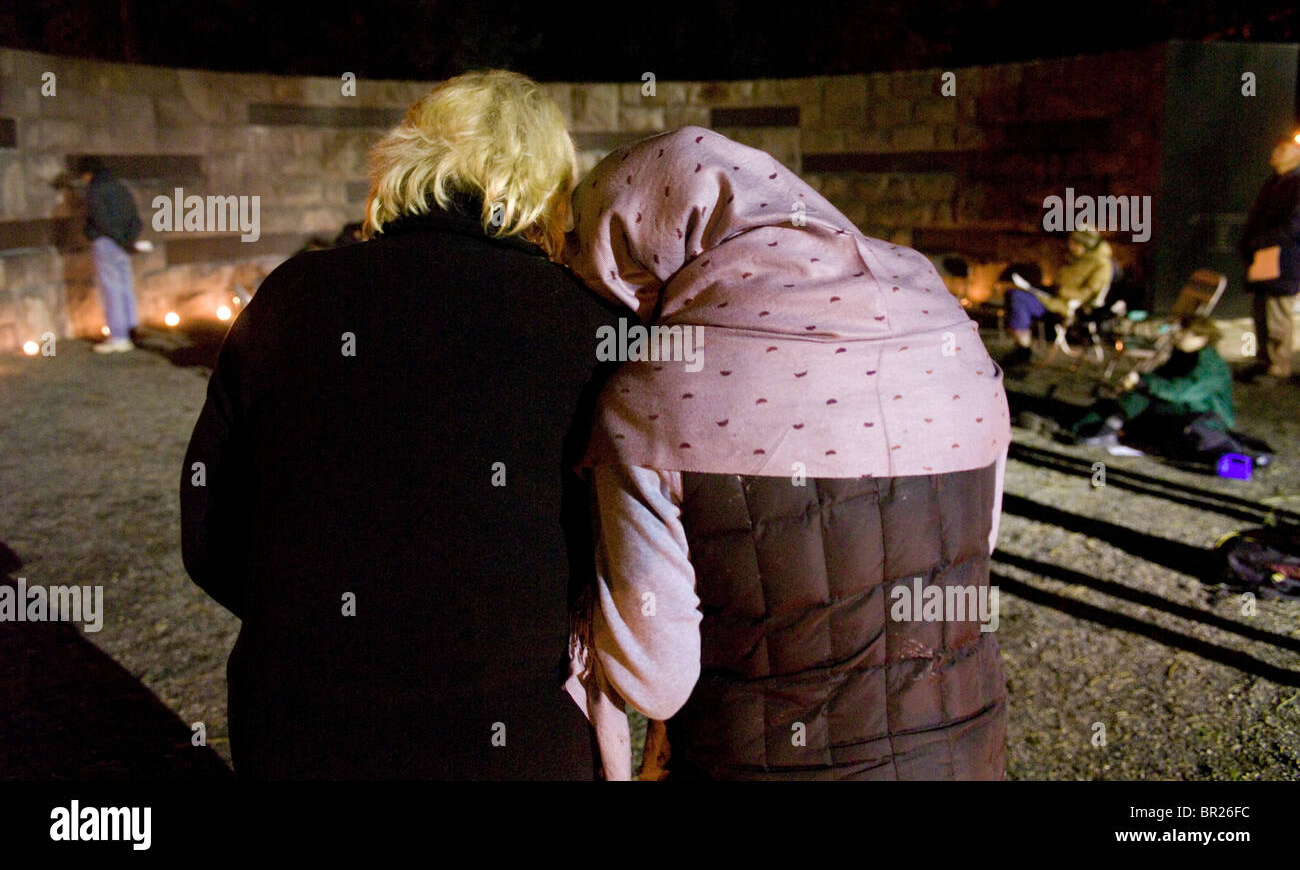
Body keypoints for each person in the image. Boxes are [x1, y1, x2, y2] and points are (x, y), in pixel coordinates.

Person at [180, 70, 622, 779]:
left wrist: (314, 620)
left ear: (407, 159)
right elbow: (626, 546)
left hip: (301, 721)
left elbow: (209, 525)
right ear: (550, 184)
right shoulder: (589, 326)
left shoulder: (293, 294)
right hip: (508, 732)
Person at [564, 127, 1012, 780]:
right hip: (960, 751)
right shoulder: (954, 342)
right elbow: (980, 545)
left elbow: (655, 678)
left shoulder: (650, 396)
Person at [1073, 316, 1244, 461]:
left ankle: (1109, 426)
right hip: (1187, 407)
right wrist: (1139, 382)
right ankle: (1105, 424)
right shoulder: (1185, 354)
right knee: (1137, 397)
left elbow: (1180, 392)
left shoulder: (1210, 365)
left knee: (1144, 397)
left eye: (1184, 332)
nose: (1178, 335)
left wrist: (1143, 384)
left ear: (1202, 338)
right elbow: (1162, 378)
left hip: (1208, 415)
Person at [999, 224, 1114, 368]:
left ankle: (1023, 349)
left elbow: (1088, 294)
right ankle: (1021, 343)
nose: (1070, 246)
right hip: (1054, 297)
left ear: (1084, 245)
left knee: (1019, 299)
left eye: (1075, 243)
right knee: (1014, 294)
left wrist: (1063, 291)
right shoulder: (1076, 259)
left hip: (1067, 305)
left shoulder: (1101, 265)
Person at [1238, 129, 1300, 385]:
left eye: (1281, 150)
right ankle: (1265, 361)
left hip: (1284, 259)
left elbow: (1295, 225)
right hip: (1266, 256)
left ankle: (1279, 366)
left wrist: (1262, 241)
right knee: (1262, 312)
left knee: (1277, 314)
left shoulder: (1296, 185)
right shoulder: (1274, 182)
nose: (1274, 154)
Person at [77, 156, 142, 353]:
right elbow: (135, 218)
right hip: (123, 243)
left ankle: (119, 336)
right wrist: (128, 240)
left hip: (107, 242)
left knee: (111, 289)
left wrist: (114, 238)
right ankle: (131, 328)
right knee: (124, 285)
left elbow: (99, 219)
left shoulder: (95, 190)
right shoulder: (121, 188)